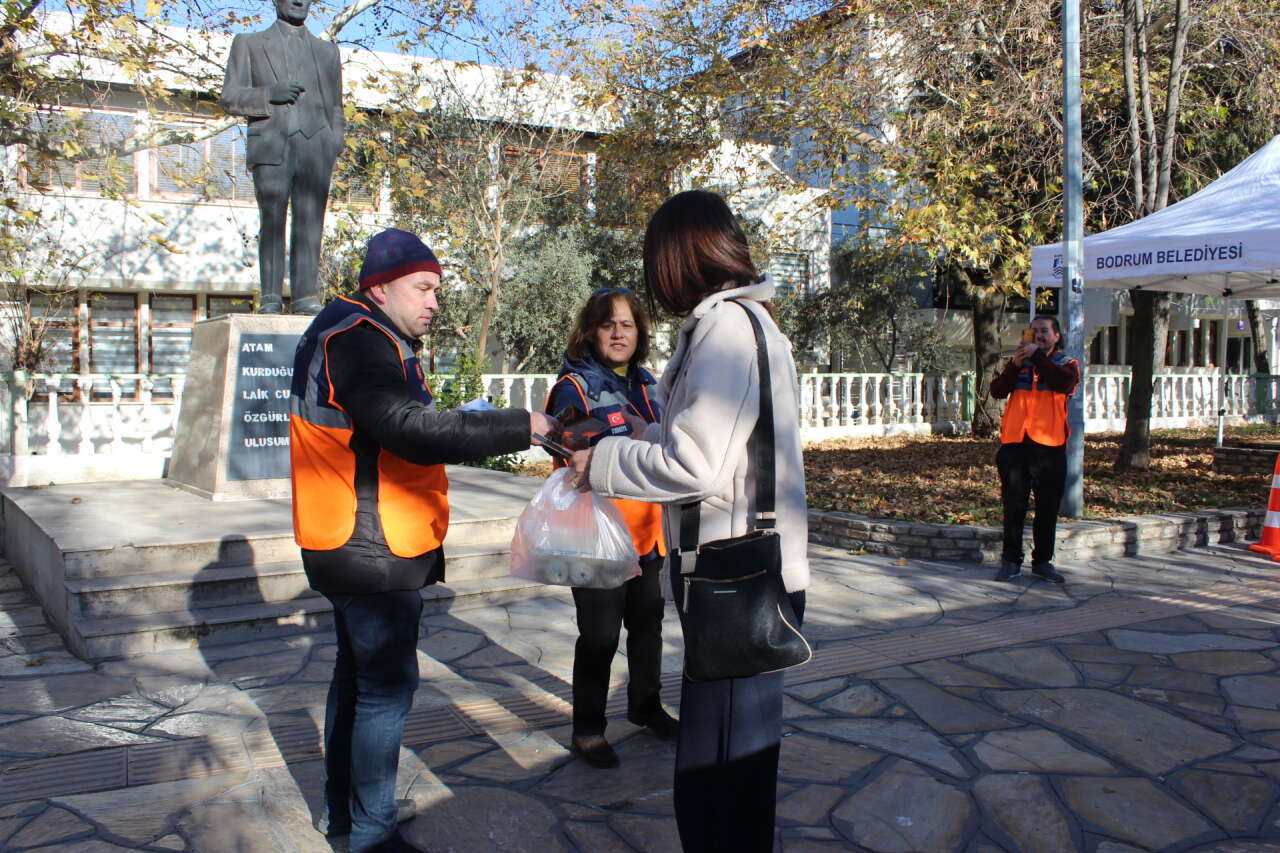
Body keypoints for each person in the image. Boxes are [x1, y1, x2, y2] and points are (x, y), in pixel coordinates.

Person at [289, 227, 559, 852]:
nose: (435, 300)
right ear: (379, 286)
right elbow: (408, 430)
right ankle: (372, 834)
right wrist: (524, 424)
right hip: (370, 546)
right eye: (423, 287)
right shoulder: (359, 340)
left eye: (437, 288)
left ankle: (350, 813)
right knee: (384, 691)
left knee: (356, 681)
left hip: (351, 538)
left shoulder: (353, 331)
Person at [568, 190, 809, 852]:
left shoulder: (726, 330)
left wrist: (605, 461)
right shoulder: (745, 322)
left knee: (717, 772)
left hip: (738, 578)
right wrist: (642, 432)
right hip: (748, 571)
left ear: (680, 258)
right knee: (736, 764)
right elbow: (717, 445)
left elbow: (698, 462)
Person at [543, 287, 677, 769]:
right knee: (599, 635)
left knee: (648, 628)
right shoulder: (573, 386)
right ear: (592, 330)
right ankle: (588, 730)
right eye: (608, 324)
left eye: (627, 324)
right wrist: (625, 434)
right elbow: (561, 445)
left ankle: (645, 706)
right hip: (597, 535)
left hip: (648, 532)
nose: (619, 333)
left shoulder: (650, 384)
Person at [221, 0, 344, 314]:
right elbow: (230, 97)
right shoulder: (248, 43)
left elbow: (335, 106)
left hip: (316, 146)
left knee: (310, 222)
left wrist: (334, 141)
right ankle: (271, 298)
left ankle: (305, 298)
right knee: (273, 221)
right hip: (273, 144)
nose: (300, 2)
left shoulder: (327, 52)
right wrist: (267, 94)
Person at [989, 315, 1081, 584]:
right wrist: (1015, 366)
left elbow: (1064, 384)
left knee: (1047, 507)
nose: (1038, 335)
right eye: (1034, 331)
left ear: (1056, 336)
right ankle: (1011, 560)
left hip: (1049, 447)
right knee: (1014, 505)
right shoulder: (1019, 363)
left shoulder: (1067, 364)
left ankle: (1043, 561)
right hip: (1016, 444)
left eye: (1044, 331)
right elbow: (997, 391)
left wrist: (1038, 357)